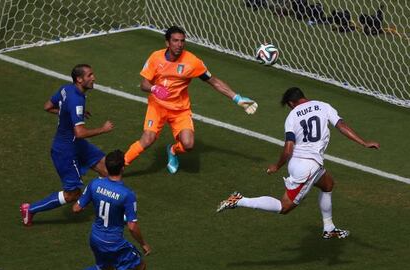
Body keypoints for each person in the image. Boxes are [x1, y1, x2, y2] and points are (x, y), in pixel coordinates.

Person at [217, 87, 380, 239]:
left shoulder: (292, 116)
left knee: (328, 184)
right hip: (308, 167)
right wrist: (363, 142)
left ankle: (329, 229)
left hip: (302, 163)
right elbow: (341, 125)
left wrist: (277, 165)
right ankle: (239, 200)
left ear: (290, 103)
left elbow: (288, 149)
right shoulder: (323, 106)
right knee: (284, 207)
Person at [124, 25, 258, 174]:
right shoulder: (155, 57)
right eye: (175, 41)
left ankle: (173, 150)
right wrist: (154, 88)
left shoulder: (192, 62)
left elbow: (213, 81)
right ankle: (119, 167)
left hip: (180, 110)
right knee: (148, 139)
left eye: (182, 41)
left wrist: (237, 98)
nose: (179, 45)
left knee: (188, 144)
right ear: (167, 43)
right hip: (157, 106)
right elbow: (144, 84)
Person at [20, 64, 114, 226]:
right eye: (90, 75)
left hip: (77, 144)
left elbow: (47, 106)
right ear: (79, 79)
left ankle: (113, 212)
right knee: (73, 194)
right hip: (65, 151)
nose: (94, 78)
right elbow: (80, 133)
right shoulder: (76, 99)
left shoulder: (66, 89)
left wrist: (70, 113)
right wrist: (103, 129)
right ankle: (30, 209)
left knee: (108, 169)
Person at [73, 150, 151, 270]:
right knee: (140, 265)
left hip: (95, 238)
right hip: (113, 242)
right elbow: (132, 227)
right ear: (122, 168)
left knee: (106, 269)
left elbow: (76, 208)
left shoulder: (94, 184)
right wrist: (144, 244)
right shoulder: (127, 194)